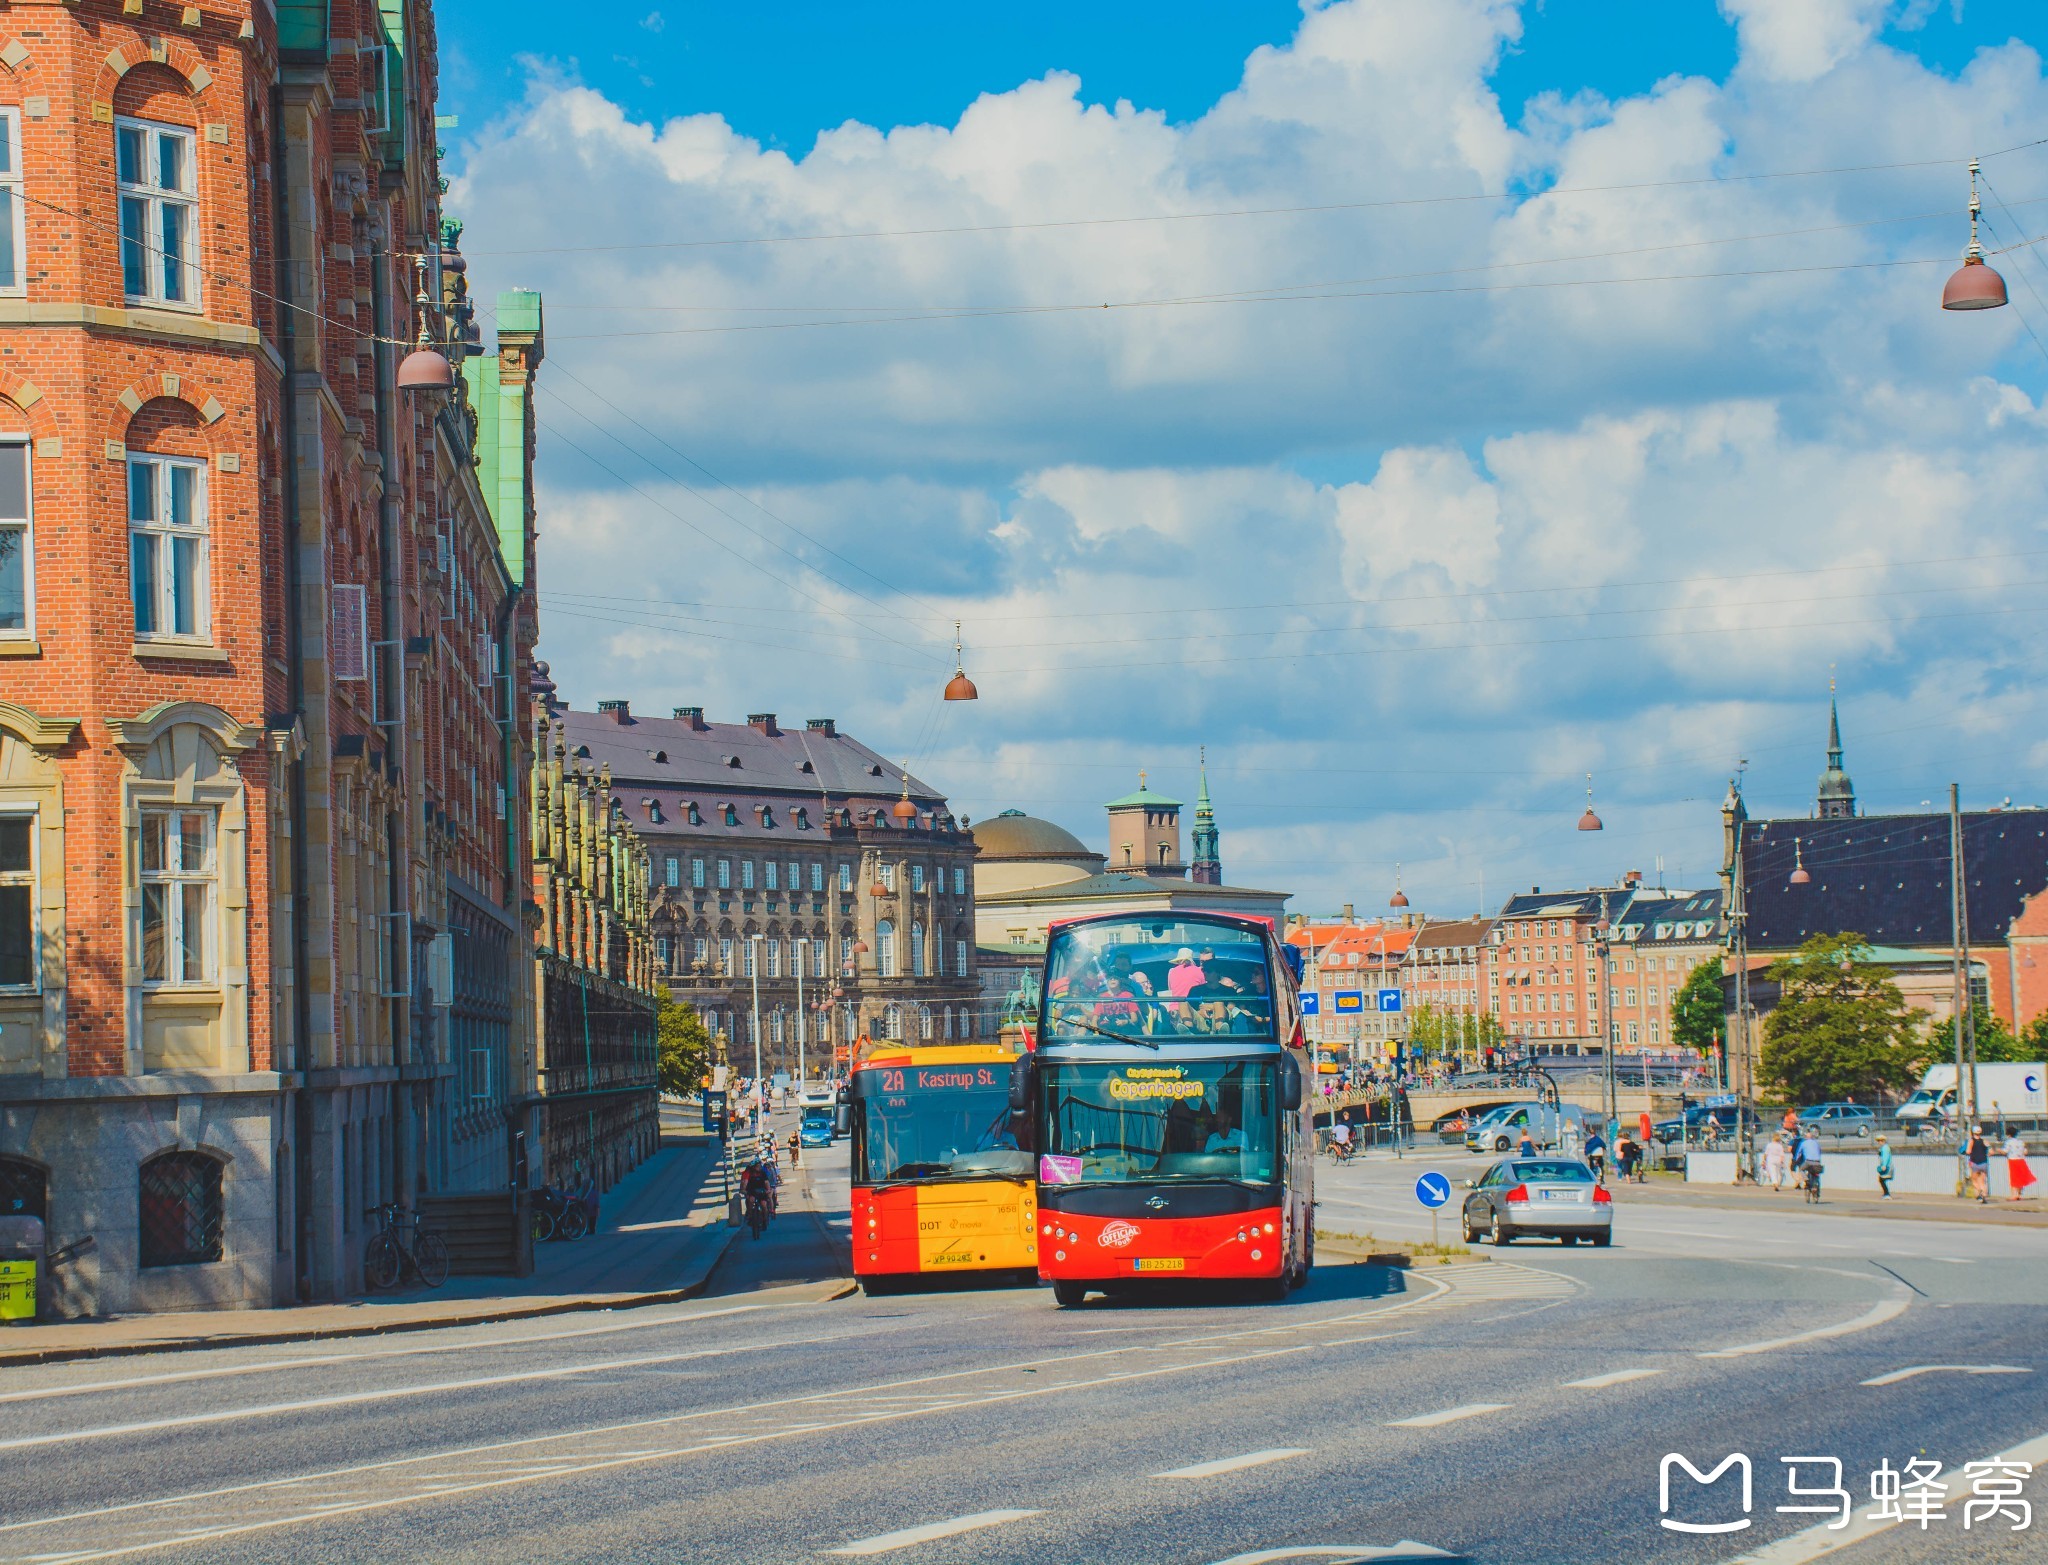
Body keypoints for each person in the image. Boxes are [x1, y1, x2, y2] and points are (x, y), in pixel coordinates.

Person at [1794, 1128, 1824, 1202]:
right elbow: (1819, 1151)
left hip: (1808, 1162)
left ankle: (1806, 1180)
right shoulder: (1816, 1143)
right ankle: (1817, 1192)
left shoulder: (1803, 1143)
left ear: (1806, 1137)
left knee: (1801, 1169)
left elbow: (1798, 1153)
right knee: (1817, 1175)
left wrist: (1796, 1160)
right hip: (1817, 1162)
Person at [2004, 1131, 2035, 1201]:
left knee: (2013, 1177)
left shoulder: (2008, 1142)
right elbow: (2025, 1152)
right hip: (2021, 1160)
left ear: (2008, 1135)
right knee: (2020, 1177)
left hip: (2012, 1160)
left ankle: (2013, 1195)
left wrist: (1998, 1150)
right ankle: (2019, 1194)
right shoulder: (2021, 1142)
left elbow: (2005, 1151)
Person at [1966, 1125, 1991, 1204]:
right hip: (1984, 1162)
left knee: (1974, 1180)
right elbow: (1991, 1151)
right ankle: (1984, 1195)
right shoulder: (1984, 1141)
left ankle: (1979, 1191)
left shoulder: (1971, 1141)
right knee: (1983, 1181)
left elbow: (1968, 1151)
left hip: (1975, 1162)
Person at [1874, 1134, 1894, 1200]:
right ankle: (1886, 1193)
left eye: (1881, 1141)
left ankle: (1887, 1194)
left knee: (1881, 1179)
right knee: (1882, 1179)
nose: (1879, 1142)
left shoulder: (1885, 1148)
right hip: (1886, 1166)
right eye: (1878, 1141)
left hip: (1887, 1166)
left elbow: (1885, 1157)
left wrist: (1884, 1165)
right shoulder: (1883, 1148)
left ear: (1884, 1141)